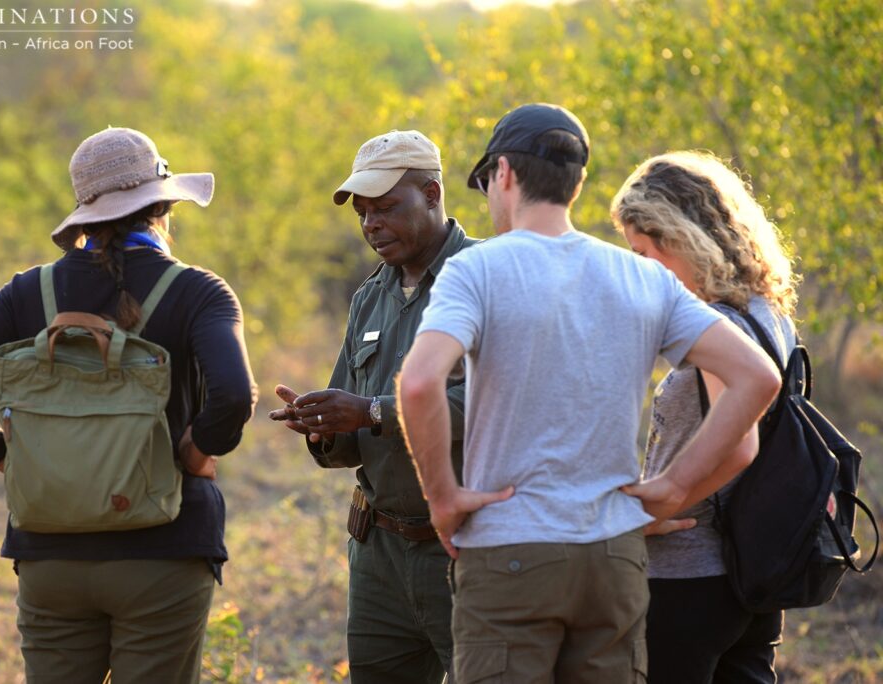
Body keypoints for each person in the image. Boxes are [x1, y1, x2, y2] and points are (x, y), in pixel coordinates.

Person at [396, 103, 782, 683]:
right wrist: (672, 488)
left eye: (485, 183)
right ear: (576, 184)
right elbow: (759, 378)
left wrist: (442, 497)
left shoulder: (476, 270)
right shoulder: (643, 277)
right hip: (614, 558)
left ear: (504, 173)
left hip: (511, 552)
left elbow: (421, 381)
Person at [0, 127, 258, 683]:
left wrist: (9, 460)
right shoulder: (198, 291)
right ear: (163, 206)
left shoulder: (27, 293)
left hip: (51, 557)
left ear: (84, 216)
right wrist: (194, 452)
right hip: (163, 550)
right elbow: (236, 396)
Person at [269, 130, 476, 683]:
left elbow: (495, 405)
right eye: (363, 213)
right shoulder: (370, 296)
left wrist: (373, 412)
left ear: (432, 194)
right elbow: (353, 432)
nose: (371, 225)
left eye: (386, 208)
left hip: (467, 549)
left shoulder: (486, 278)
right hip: (379, 553)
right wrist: (322, 426)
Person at [610, 151, 799, 683]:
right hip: (754, 569)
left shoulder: (717, 323)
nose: (642, 268)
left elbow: (742, 446)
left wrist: (659, 500)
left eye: (645, 251)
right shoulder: (767, 311)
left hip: (690, 574)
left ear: (682, 237)